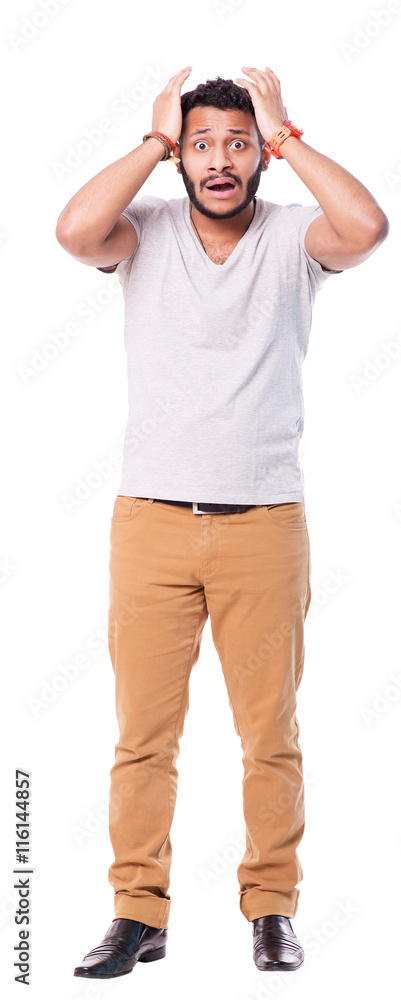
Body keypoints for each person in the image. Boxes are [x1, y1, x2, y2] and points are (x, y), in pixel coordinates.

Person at [56, 65, 389, 978]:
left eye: (237, 144)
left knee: (268, 736)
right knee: (143, 739)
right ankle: (137, 913)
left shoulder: (292, 237)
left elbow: (366, 227)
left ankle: (271, 908)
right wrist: (153, 140)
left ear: (261, 157)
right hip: (151, 525)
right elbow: (74, 232)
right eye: (201, 143)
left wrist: (283, 131)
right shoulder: (145, 229)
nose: (219, 160)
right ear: (179, 155)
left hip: (264, 526)